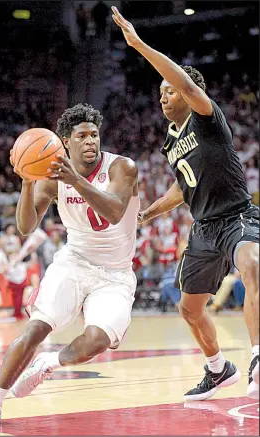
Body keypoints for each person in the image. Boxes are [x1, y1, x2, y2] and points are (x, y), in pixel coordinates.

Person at [111, 7, 259, 401]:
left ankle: (258, 358)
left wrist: (139, 44)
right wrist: (147, 213)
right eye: (160, 91)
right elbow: (182, 188)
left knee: (253, 266)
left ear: (188, 93)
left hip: (237, 216)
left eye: (169, 89)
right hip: (204, 228)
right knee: (189, 309)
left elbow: (189, 87)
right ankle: (218, 369)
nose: (162, 95)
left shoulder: (206, 117)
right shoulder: (172, 142)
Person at [0, 103, 139, 427]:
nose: (90, 142)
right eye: (81, 136)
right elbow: (26, 226)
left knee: (98, 340)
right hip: (74, 262)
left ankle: (49, 363)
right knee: (36, 328)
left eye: (94, 135)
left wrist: (76, 181)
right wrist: (27, 182)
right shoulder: (52, 177)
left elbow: (113, 213)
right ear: (66, 141)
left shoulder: (121, 168)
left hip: (115, 274)